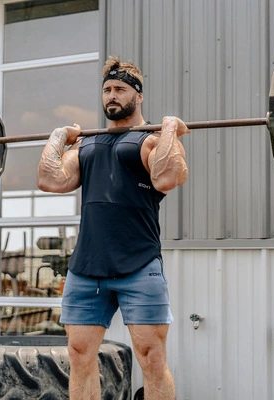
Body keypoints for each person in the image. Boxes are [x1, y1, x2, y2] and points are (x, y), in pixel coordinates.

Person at [37, 56, 189, 400]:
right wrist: (59, 137)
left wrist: (166, 128)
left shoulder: (150, 142)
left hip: (139, 265)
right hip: (86, 268)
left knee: (151, 359)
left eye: (120, 89)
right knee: (79, 357)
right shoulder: (87, 146)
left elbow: (169, 176)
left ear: (138, 96)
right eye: (106, 90)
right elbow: (49, 180)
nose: (111, 96)